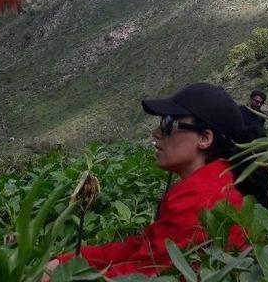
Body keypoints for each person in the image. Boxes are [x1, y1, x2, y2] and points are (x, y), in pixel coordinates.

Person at [44, 83, 248, 279]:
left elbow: (145, 274)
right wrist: (68, 262)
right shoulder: (215, 183)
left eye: (169, 123)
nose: (157, 133)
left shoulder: (201, 197)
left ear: (204, 138)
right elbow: (141, 247)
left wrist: (64, 276)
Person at [238, 89, 268, 208]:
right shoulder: (241, 111)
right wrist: (252, 130)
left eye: (261, 103)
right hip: (244, 151)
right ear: (251, 99)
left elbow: (260, 131)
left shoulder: (261, 116)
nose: (258, 104)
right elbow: (238, 129)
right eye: (257, 101)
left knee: (262, 181)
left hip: (258, 151)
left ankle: (264, 206)